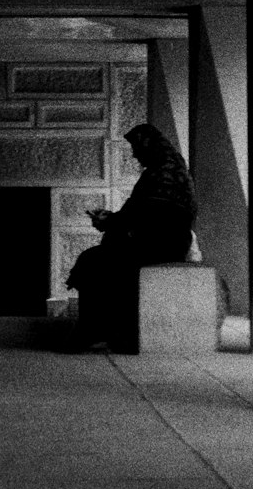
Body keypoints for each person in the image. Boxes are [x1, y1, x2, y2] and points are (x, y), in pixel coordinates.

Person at [66, 123, 198, 351]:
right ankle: (106, 332)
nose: (135, 155)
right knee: (98, 259)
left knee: (94, 262)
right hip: (159, 241)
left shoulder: (162, 174)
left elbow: (149, 216)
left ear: (149, 148)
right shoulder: (169, 169)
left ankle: (99, 332)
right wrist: (111, 220)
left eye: (137, 149)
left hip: (161, 245)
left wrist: (109, 222)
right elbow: (137, 214)